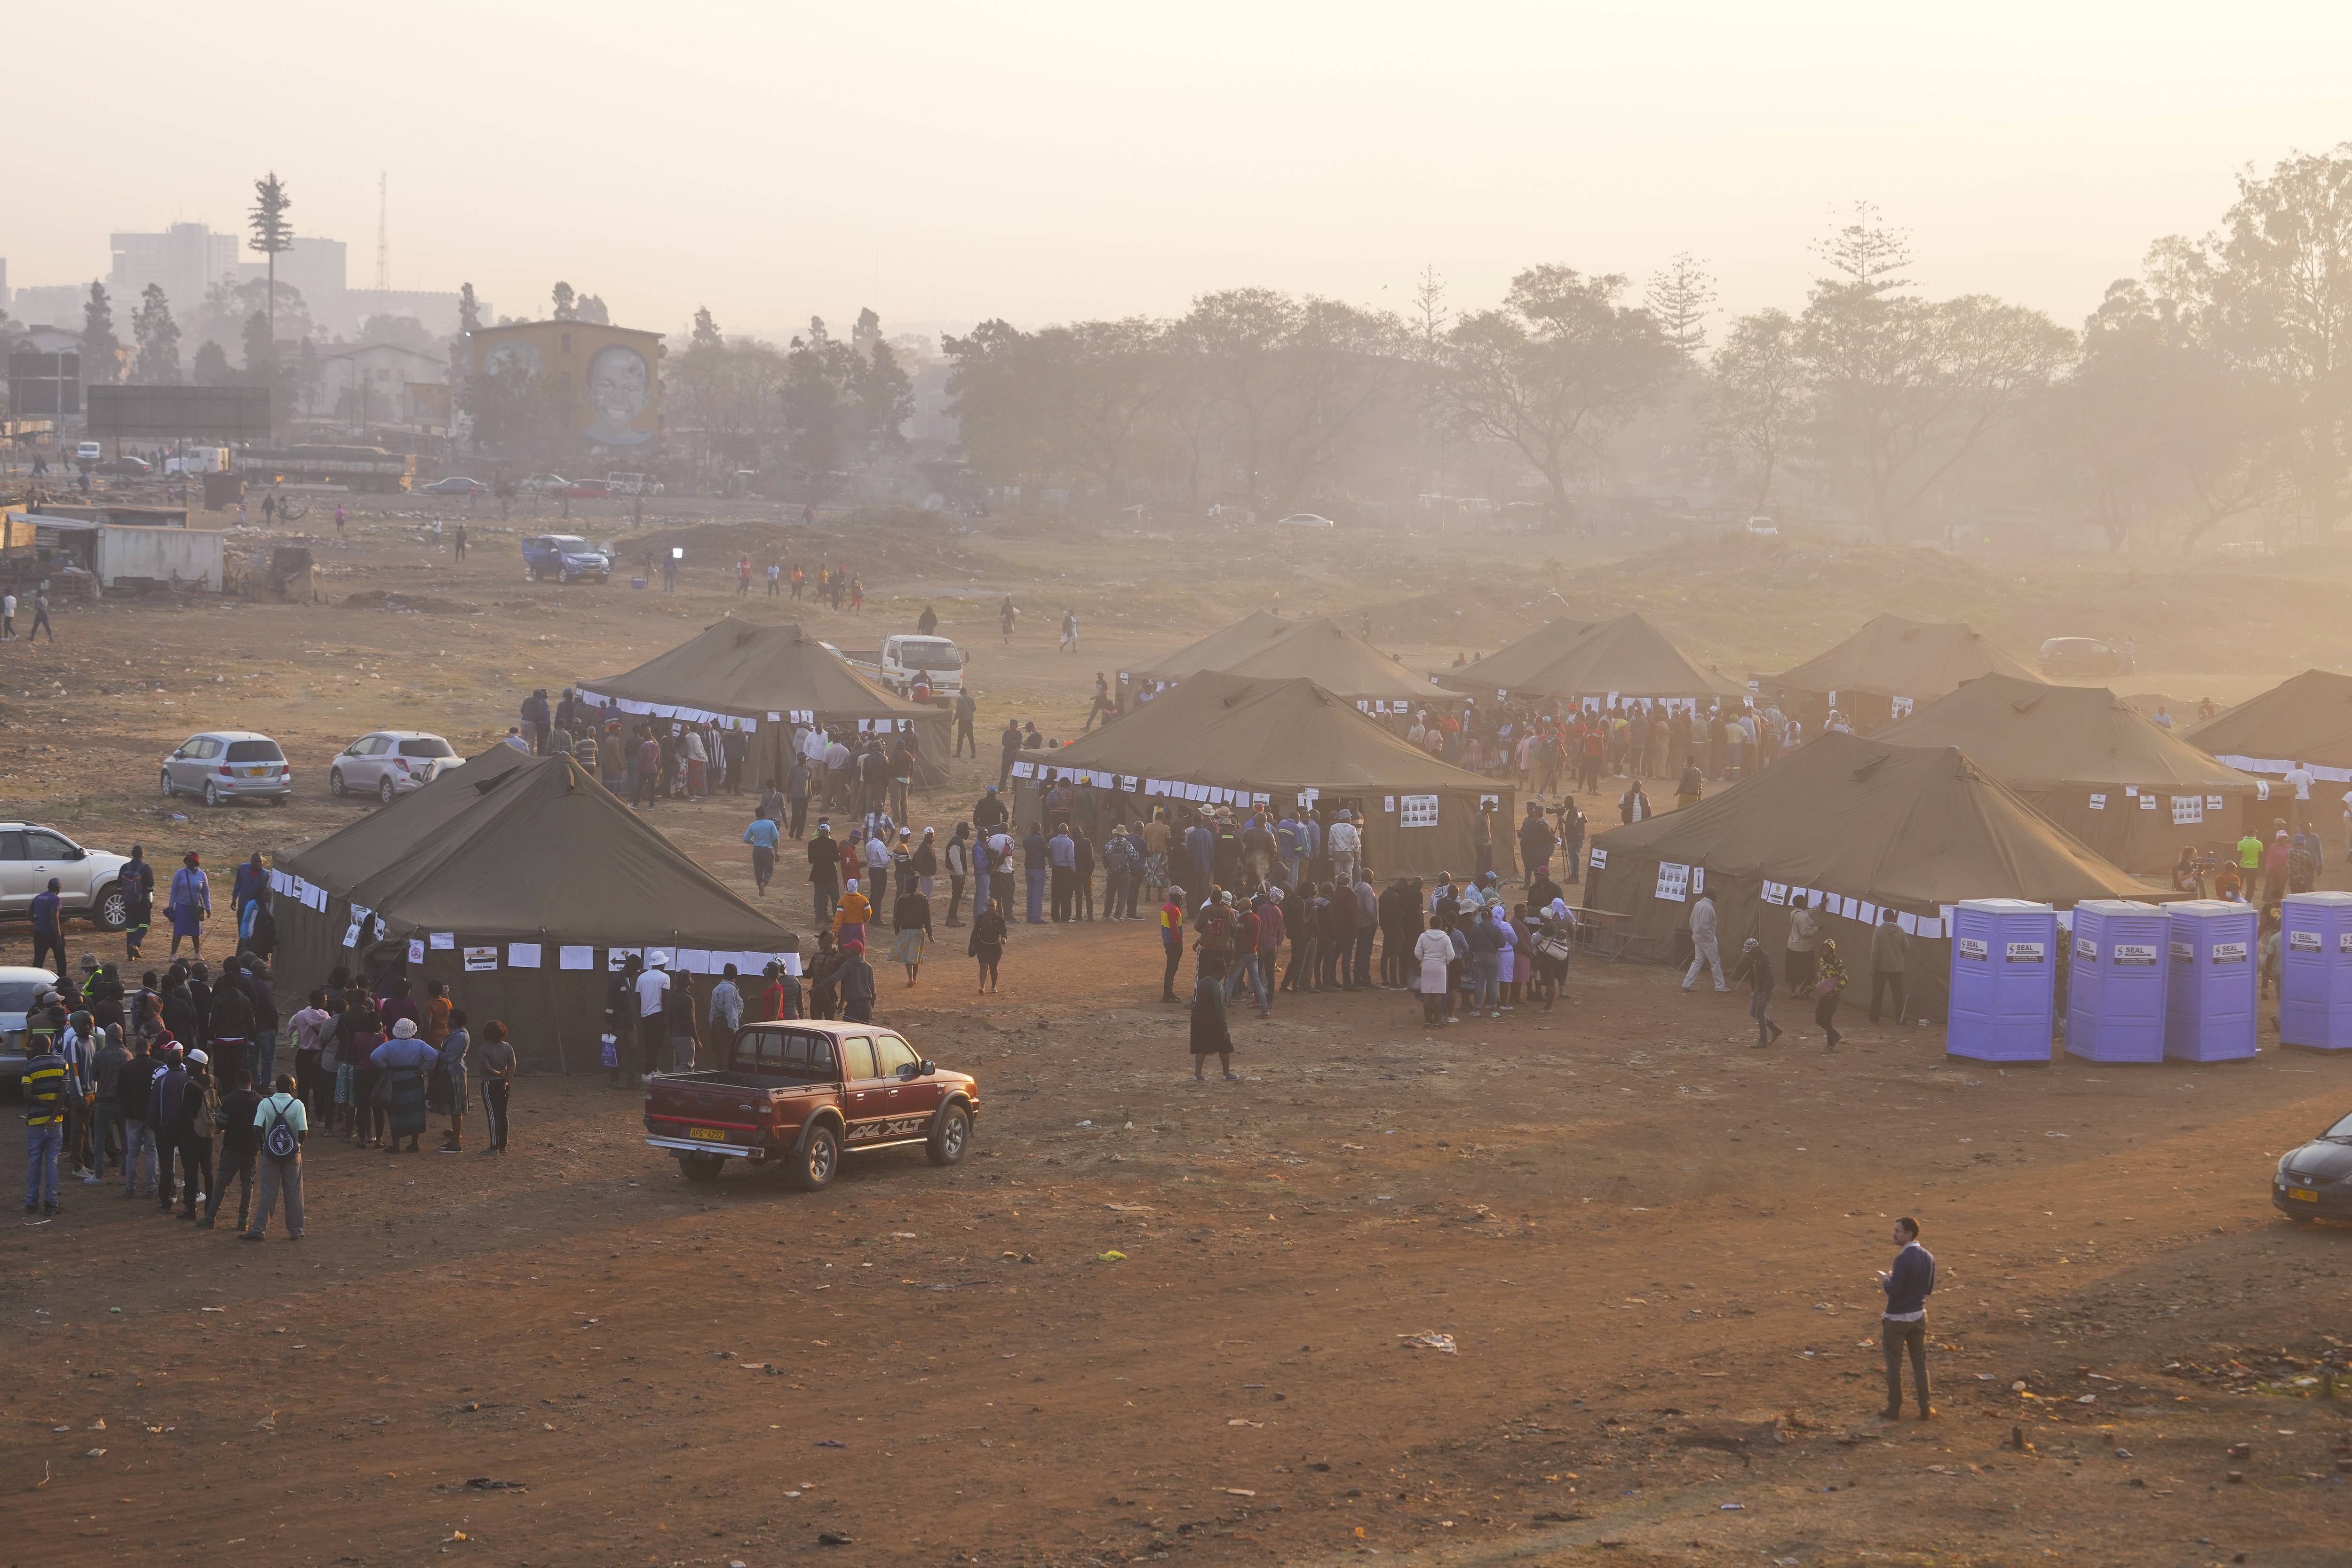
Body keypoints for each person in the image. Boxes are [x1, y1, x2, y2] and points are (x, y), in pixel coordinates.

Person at [1877, 1217, 1937, 1420]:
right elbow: (1928, 1289)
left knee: (1894, 1366)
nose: (1894, 1234)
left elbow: (1893, 1291)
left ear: (1909, 1235)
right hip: (1919, 1316)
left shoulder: (1902, 1259)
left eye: (1898, 1231)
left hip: (1897, 1320)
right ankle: (1926, 1408)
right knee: (1920, 1364)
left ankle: (1894, 1409)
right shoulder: (1929, 1257)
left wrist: (1887, 1280)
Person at [242, 1074, 306, 1241]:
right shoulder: (298, 1104)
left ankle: (259, 1230)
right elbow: (303, 1131)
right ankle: (296, 1230)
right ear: (291, 1088)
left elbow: (257, 1127)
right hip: (292, 1153)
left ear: (277, 1087)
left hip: (271, 1152)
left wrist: (263, 1146)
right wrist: (299, 1146)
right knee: (294, 1192)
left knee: (268, 1192)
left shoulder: (265, 1103)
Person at [372, 1019, 437, 1154]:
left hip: (396, 1080)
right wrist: (424, 1069)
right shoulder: (419, 1044)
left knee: (396, 1111)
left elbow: (375, 1057)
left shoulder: (389, 1046)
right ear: (412, 1032)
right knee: (416, 1110)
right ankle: (415, 1144)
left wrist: (387, 1068)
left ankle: (396, 1145)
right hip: (415, 1079)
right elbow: (434, 1055)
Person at [22, 1024, 66, 1216]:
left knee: (34, 1161)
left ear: (40, 1047)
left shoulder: (30, 1066)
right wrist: (54, 1112)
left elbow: (27, 1095)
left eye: (32, 1046)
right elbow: (64, 1093)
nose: (30, 1049)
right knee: (52, 1162)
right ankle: (51, 1203)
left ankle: (32, 1202)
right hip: (55, 1121)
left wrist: (47, 1107)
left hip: (35, 1121)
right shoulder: (61, 1063)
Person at [1190, 945, 1236, 1081]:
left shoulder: (1203, 981)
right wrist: (1225, 1029)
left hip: (1198, 1018)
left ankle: (1198, 1075)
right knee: (1225, 1046)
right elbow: (1221, 1009)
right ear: (1221, 973)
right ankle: (1226, 1073)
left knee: (1202, 1048)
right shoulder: (1218, 986)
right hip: (1212, 1019)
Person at [1729, 937, 1783, 1047]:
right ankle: (1774, 1029)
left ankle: (1763, 1040)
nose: (1748, 953)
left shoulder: (1764, 958)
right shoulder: (1753, 957)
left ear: (1756, 949)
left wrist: (1765, 994)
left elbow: (1769, 979)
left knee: (1759, 1013)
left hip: (1764, 990)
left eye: (1749, 951)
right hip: (1757, 989)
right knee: (1754, 1013)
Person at [437, 1009, 472, 1152]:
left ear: (455, 1021)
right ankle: (455, 1138)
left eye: (449, 1019)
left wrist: (433, 1052)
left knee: (456, 1109)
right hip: (452, 1073)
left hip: (455, 1074)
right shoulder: (458, 1035)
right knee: (454, 1108)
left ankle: (456, 1143)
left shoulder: (460, 1037)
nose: (447, 1021)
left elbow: (449, 1057)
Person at [1868, 908, 1909, 1025]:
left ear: (1883, 918)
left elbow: (1875, 951)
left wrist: (1872, 968)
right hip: (1898, 968)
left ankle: (1873, 1019)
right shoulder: (1900, 930)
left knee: (1877, 994)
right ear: (1894, 917)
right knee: (1898, 995)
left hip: (1881, 968)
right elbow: (1907, 947)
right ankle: (1900, 1020)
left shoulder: (1879, 931)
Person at [166, 852, 211, 958]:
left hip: (196, 908)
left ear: (196, 862)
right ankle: (173, 954)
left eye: (192, 860)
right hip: (181, 906)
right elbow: (174, 890)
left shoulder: (202, 875)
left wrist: (209, 907)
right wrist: (171, 905)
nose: (189, 862)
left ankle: (197, 953)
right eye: (188, 860)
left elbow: (206, 892)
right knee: (179, 930)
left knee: (196, 932)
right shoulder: (180, 873)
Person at [1682, 888, 1725, 992]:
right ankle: (1720, 986)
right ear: (1712, 894)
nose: (1717, 896)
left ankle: (1687, 983)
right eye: (1715, 894)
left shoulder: (1698, 904)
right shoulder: (1708, 908)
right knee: (1715, 962)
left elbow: (1692, 921)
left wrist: (1696, 933)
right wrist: (1710, 937)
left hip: (1698, 938)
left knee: (1698, 961)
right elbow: (1703, 925)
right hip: (1706, 940)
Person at [891, 880, 933, 986]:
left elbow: (898, 916)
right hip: (919, 931)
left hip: (906, 930)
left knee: (908, 956)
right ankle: (915, 978)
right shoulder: (923, 898)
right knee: (916, 956)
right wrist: (930, 933)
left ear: (908, 888)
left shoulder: (902, 900)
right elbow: (927, 917)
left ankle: (910, 977)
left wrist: (897, 929)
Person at [1814, 936, 1848, 1050]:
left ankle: (1831, 1044)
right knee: (1819, 1019)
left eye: (1828, 949)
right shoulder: (1822, 961)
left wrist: (1834, 991)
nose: (1825, 951)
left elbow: (1845, 980)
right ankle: (1835, 1035)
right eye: (1823, 948)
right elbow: (1818, 977)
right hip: (1823, 995)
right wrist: (1809, 989)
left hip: (1833, 997)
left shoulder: (1838, 963)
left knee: (1827, 1019)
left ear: (1832, 950)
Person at [1784, 895, 1821, 999]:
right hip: (1803, 949)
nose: (1806, 902)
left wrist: (1819, 905)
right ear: (1801, 903)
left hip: (1793, 947)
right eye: (1805, 901)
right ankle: (1801, 993)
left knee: (1794, 971)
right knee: (1804, 972)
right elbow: (1805, 933)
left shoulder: (1795, 913)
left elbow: (1808, 913)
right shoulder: (1802, 917)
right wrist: (1817, 929)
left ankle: (1794, 992)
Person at [29, 876, 66, 977]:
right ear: (59, 889)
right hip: (51, 934)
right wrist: (59, 938)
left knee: (38, 959)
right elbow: (54, 918)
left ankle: (34, 979)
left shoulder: (38, 897)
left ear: (48, 887)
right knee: (61, 960)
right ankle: (62, 981)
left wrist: (38, 922)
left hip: (39, 932)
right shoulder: (56, 899)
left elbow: (29, 914)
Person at [969, 899, 1007, 994]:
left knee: (994, 967)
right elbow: (975, 932)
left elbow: (1004, 930)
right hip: (983, 945)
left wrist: (1004, 938)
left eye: (993, 906)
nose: (990, 908)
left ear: (996, 907)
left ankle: (994, 987)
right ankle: (982, 988)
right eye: (989, 906)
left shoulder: (1000, 919)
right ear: (986, 907)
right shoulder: (981, 918)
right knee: (984, 966)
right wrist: (973, 945)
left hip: (996, 947)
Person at [1159, 885, 1188, 1003]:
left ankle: (1169, 993)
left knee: (1171, 968)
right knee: (1172, 969)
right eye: (1180, 895)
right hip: (1173, 942)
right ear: (1176, 896)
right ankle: (1167, 994)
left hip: (1168, 941)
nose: (1182, 898)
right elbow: (1175, 929)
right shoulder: (1174, 909)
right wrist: (1179, 942)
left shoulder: (1167, 906)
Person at [837, 938, 876, 1022]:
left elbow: (835, 979)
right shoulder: (868, 966)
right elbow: (873, 990)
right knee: (865, 1031)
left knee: (850, 1031)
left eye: (849, 949)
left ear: (855, 951)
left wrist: (820, 986)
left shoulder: (847, 965)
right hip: (867, 1005)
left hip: (854, 1005)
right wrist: (871, 1007)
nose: (847, 951)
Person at [744, 809, 780, 896]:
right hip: (767, 849)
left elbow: (746, 839)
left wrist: (754, 842)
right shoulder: (771, 824)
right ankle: (764, 883)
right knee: (769, 870)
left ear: (757, 815)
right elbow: (776, 836)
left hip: (757, 850)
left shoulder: (752, 825)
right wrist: (772, 843)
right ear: (765, 814)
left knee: (758, 870)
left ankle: (760, 886)